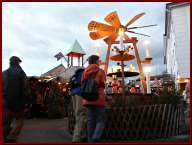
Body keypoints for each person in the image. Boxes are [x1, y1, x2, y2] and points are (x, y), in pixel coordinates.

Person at [2, 56, 30, 142]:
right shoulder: (21, 73)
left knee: (6, 121)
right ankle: (12, 136)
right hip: (18, 101)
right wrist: (27, 98)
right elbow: (26, 87)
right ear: (18, 62)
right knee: (20, 120)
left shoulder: (4, 73)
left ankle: (5, 137)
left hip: (6, 100)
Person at [81, 55, 106, 142]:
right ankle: (96, 136)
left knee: (90, 120)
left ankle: (90, 140)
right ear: (96, 61)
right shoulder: (100, 71)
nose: (100, 61)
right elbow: (102, 84)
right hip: (99, 98)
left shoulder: (84, 72)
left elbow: (82, 83)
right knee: (101, 120)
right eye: (99, 60)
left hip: (87, 99)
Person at [69, 68, 87, 142]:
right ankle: (76, 137)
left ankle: (83, 135)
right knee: (81, 115)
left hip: (73, 94)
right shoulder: (84, 74)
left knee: (78, 116)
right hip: (80, 94)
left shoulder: (74, 76)